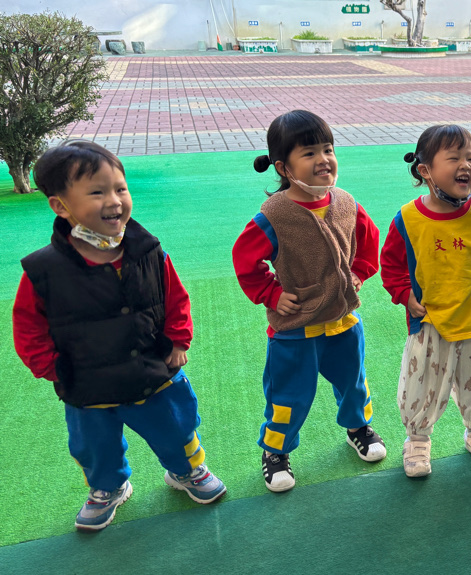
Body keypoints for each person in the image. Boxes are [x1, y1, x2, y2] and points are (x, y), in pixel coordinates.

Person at [12, 141, 226, 531]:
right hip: (87, 384)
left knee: (177, 428)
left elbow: (175, 297)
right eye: (97, 192)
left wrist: (179, 340)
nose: (114, 201)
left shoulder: (148, 251)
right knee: (94, 447)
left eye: (120, 189)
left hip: (153, 371)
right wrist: (50, 367)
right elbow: (28, 326)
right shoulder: (44, 270)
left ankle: (186, 471)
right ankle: (108, 487)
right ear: (61, 205)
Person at [233, 110, 385, 493]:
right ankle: (276, 451)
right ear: (284, 167)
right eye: (309, 153)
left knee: (353, 382)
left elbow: (369, 240)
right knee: (289, 395)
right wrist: (271, 293)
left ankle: (358, 427)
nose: (323, 159)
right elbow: (245, 259)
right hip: (295, 331)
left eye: (328, 149)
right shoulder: (275, 216)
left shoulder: (346, 202)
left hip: (343, 321)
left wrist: (359, 272)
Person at [381, 124, 471, 478]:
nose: (466, 166)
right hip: (430, 321)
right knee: (421, 384)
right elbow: (391, 264)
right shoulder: (408, 219)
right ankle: (417, 439)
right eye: (454, 158)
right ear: (425, 170)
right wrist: (404, 295)